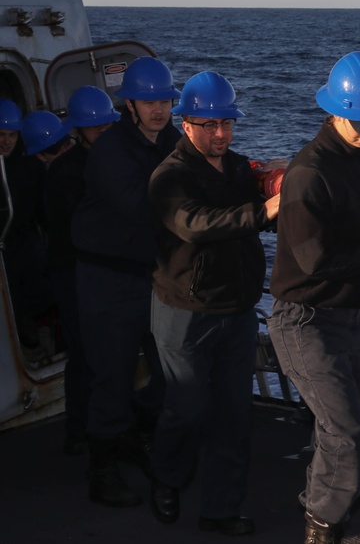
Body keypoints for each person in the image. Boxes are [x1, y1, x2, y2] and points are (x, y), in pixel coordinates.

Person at [267, 51, 360, 544]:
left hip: (356, 317)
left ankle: (329, 513)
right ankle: (321, 525)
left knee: (352, 431)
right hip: (306, 320)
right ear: (337, 111)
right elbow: (314, 261)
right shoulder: (308, 173)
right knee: (344, 435)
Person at [146, 71, 279, 536]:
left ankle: (219, 508)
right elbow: (196, 224)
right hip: (184, 313)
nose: (220, 133)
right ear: (186, 125)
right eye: (209, 125)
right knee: (187, 409)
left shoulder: (240, 169)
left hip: (236, 311)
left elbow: (260, 185)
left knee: (233, 416)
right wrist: (264, 212)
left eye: (226, 123)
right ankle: (166, 477)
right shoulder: (169, 178)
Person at [72, 56, 182, 507]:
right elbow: (140, 207)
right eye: (148, 101)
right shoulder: (111, 150)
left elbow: (200, 174)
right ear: (129, 104)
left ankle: (138, 433)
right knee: (112, 374)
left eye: (165, 101)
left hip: (152, 273)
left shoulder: (172, 139)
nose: (158, 109)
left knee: (170, 372)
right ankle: (103, 471)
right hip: (108, 275)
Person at [43, 87, 120, 454]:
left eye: (104, 124)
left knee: (103, 353)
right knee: (86, 353)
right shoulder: (65, 172)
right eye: (93, 127)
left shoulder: (113, 161)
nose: (100, 130)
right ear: (77, 130)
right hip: (74, 273)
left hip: (105, 272)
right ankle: (81, 431)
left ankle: (101, 427)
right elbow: (80, 227)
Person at [0, 99, 50, 362]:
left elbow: (43, 207)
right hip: (4, 244)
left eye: (12, 135)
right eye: (1, 135)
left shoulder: (29, 165)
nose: (6, 141)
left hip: (25, 241)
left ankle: (35, 335)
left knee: (34, 290)